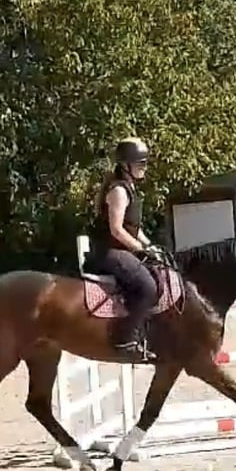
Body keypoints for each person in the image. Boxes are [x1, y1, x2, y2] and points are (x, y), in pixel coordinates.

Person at [89, 136, 162, 357]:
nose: (144, 167)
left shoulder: (130, 189)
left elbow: (133, 228)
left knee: (161, 272)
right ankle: (125, 339)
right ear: (125, 165)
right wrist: (140, 249)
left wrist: (152, 246)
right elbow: (116, 230)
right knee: (148, 286)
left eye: (145, 163)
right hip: (108, 251)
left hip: (122, 248)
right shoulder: (118, 191)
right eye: (140, 163)